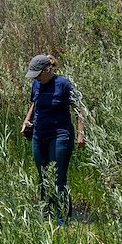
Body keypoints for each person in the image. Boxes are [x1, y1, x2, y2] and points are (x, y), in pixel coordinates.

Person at [19, 54, 83, 221]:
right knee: (43, 178)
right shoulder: (36, 84)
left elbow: (78, 109)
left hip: (60, 135)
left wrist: (81, 134)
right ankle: (46, 217)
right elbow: (35, 103)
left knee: (57, 178)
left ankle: (62, 220)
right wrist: (27, 121)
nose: (36, 79)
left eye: (38, 75)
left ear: (47, 70)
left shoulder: (63, 84)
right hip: (39, 136)